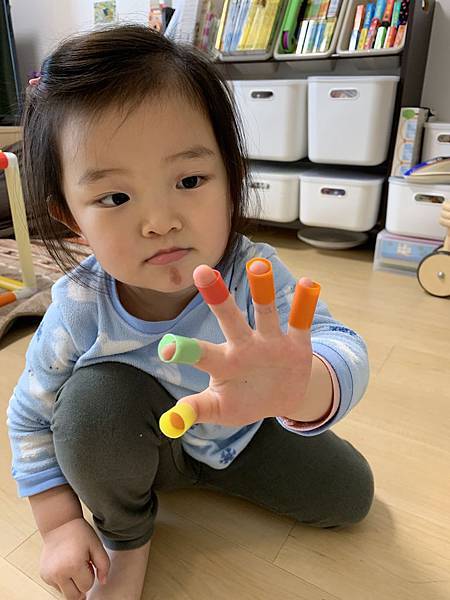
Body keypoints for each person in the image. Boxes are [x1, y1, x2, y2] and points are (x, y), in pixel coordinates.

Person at [7, 24, 374, 600]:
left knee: (350, 497)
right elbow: (30, 418)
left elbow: (338, 341)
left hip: (245, 434)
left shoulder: (253, 275)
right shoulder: (80, 305)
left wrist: (304, 385)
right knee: (88, 408)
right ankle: (128, 538)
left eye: (189, 179)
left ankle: (210, 475)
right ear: (73, 220)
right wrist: (57, 525)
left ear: (231, 177)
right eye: (115, 197)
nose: (160, 222)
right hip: (135, 441)